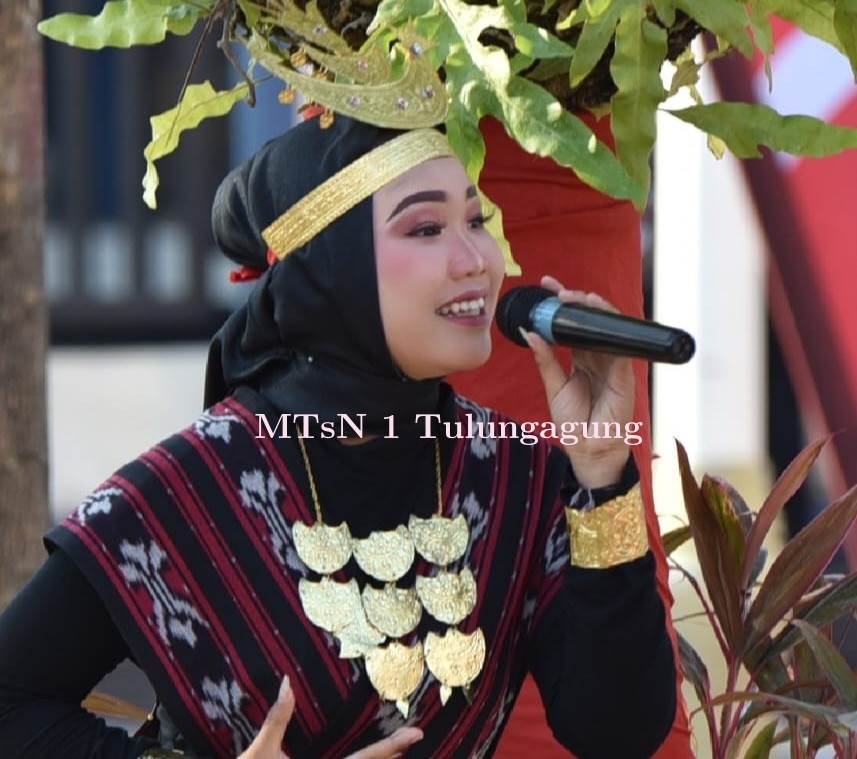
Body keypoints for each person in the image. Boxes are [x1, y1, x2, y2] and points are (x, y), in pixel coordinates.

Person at [0, 116, 676, 758]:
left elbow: (615, 731)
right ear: (333, 267)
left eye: (475, 219)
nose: (477, 258)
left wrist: (601, 468)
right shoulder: (188, 489)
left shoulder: (516, 476)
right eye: (425, 228)